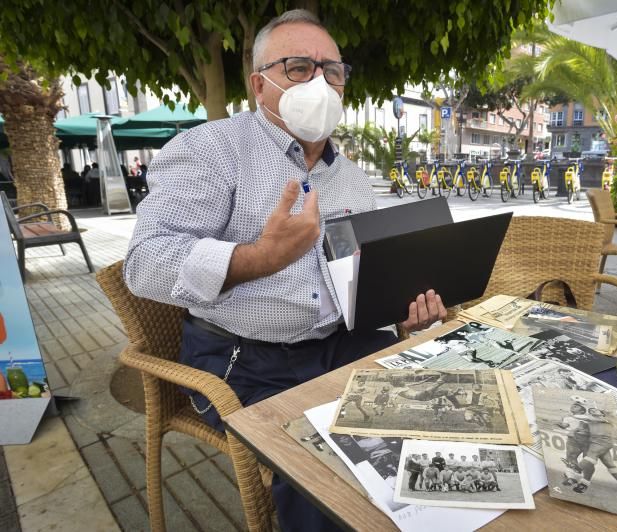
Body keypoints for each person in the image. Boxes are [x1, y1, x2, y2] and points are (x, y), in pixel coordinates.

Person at [123, 9, 447, 532]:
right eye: (299, 67)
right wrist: (260, 258)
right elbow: (144, 264)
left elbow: (366, 271)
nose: (319, 81)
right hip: (242, 360)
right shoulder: (212, 151)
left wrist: (403, 313)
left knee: (439, 412)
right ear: (259, 83)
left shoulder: (349, 176)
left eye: (332, 70)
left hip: (340, 344)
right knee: (328, 471)